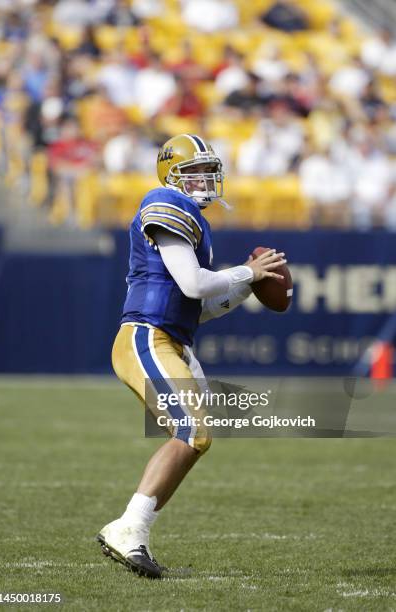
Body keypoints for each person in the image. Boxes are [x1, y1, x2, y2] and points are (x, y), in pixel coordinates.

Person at [96, 134, 286, 578]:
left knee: (196, 439)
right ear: (171, 174)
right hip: (147, 337)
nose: (204, 179)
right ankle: (128, 528)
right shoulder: (164, 201)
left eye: (207, 170)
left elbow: (198, 307)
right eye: (194, 171)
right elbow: (194, 284)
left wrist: (245, 287)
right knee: (193, 432)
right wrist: (248, 271)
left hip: (173, 340)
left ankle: (132, 530)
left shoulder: (192, 221)